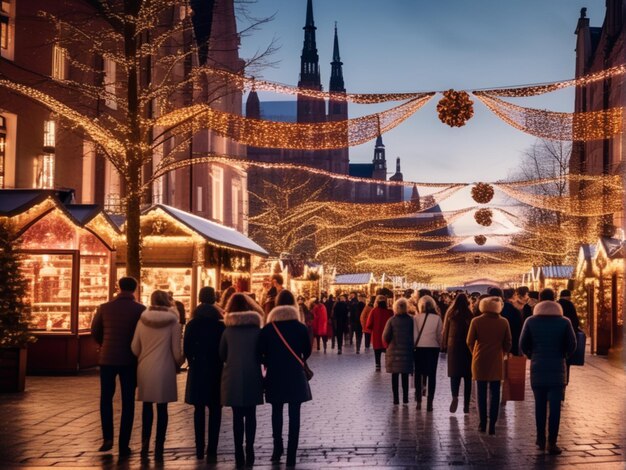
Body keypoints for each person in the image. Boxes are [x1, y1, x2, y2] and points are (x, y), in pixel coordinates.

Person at [91, 276, 145, 457]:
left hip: (107, 359)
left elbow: (95, 330)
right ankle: (124, 443)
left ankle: (107, 438)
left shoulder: (104, 308)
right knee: (128, 401)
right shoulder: (140, 310)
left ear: (119, 287)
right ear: (135, 289)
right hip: (129, 360)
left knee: (106, 397)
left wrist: (104, 344)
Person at [259, 290, 312, 467]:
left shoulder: (268, 328)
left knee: (276, 411)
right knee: (294, 414)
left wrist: (270, 360)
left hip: (275, 374)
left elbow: (260, 353)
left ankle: (277, 447)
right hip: (295, 375)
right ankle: (292, 452)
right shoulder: (300, 327)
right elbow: (307, 351)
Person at [131, 290, 183, 461]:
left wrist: (143, 356)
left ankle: (145, 441)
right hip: (165, 368)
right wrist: (180, 361)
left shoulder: (142, 321)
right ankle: (159, 443)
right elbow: (176, 352)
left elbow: (134, 347)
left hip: (145, 367)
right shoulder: (173, 322)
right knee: (162, 408)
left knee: (147, 406)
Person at [519, 299, 577, 455]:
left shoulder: (530, 321)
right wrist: (563, 355)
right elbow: (572, 345)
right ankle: (552, 442)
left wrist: (532, 355)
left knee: (539, 405)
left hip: (538, 368)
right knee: (555, 407)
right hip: (557, 368)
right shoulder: (565, 322)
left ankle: (540, 439)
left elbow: (522, 344)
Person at [220, 293, 264, 468]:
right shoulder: (256, 330)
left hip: (233, 376)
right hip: (253, 374)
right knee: (251, 414)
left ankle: (238, 450)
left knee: (237, 416)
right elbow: (262, 354)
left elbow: (222, 354)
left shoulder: (227, 331)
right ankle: (250, 448)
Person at [184, 287, 225, 462]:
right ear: (215, 299)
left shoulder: (192, 324)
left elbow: (186, 349)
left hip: (198, 369)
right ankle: (212, 448)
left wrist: (193, 363)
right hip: (216, 369)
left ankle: (199, 447)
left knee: (198, 409)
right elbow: (224, 350)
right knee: (216, 409)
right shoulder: (220, 324)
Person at [467, 296, 512, 435]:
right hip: (496, 360)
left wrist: (474, 352)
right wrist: (503, 352)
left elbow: (469, 341)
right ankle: (492, 424)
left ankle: (482, 423)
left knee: (480, 393)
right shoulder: (504, 322)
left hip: (480, 359)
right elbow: (508, 342)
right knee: (495, 393)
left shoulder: (476, 321)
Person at [442, 293, 473, 414]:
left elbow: (445, 331)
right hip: (466, 348)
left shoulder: (450, 314)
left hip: (453, 348)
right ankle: (466, 404)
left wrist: (444, 345)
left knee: (454, 375)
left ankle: (455, 396)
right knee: (468, 377)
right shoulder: (470, 315)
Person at [382, 298, 414, 404]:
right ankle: (405, 398)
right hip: (407, 351)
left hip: (393, 351)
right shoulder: (411, 320)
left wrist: (389, 344)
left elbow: (385, 336)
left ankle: (396, 399)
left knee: (394, 376)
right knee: (405, 376)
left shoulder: (391, 320)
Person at [413, 295, 443, 411]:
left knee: (418, 374)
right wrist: (440, 345)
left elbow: (414, 334)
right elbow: (439, 335)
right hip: (432, 348)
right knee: (432, 375)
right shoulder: (437, 318)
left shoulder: (416, 318)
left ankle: (419, 400)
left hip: (419, 348)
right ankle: (430, 402)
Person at [365, 295, 394, 371]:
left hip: (376, 335)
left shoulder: (374, 311)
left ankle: (377, 364)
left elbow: (369, 324)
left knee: (377, 350)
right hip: (387, 335)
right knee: (387, 349)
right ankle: (388, 364)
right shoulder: (390, 312)